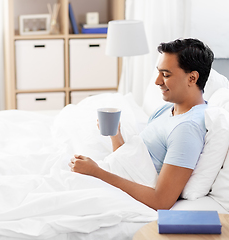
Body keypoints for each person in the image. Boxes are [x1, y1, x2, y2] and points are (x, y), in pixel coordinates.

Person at [68, 38, 214, 210]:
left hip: (109, 187)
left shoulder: (186, 130)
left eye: (166, 75)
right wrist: (116, 135)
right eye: (159, 73)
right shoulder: (166, 110)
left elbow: (161, 201)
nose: (157, 81)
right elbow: (133, 165)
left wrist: (96, 172)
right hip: (107, 174)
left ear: (192, 78)